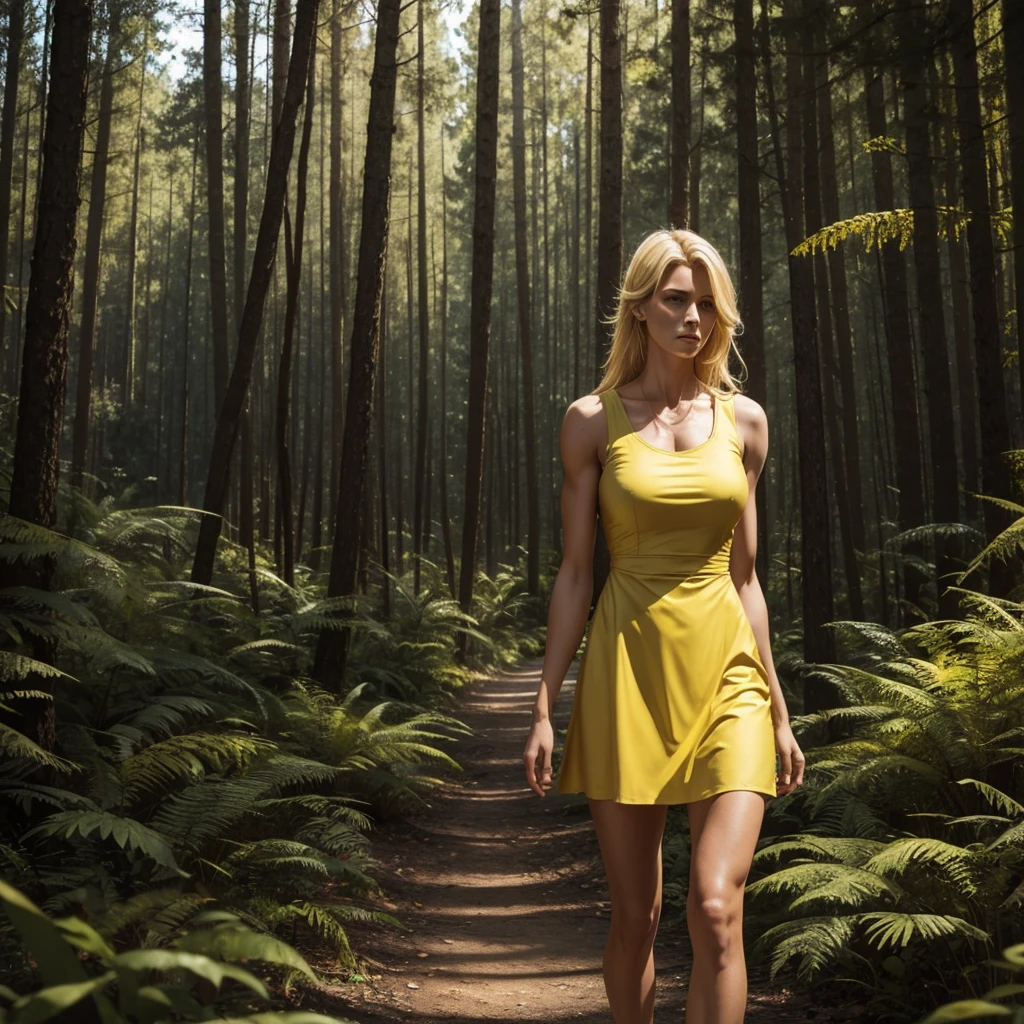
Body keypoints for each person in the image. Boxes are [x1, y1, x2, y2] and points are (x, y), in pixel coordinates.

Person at [522, 227, 805, 1024]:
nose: (695, 317)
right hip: (626, 675)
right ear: (640, 308)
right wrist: (545, 705)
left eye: (708, 303)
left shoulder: (745, 423)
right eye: (677, 299)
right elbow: (577, 573)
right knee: (637, 918)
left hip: (729, 678)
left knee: (716, 909)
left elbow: (746, 580)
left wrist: (780, 712)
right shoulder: (591, 421)